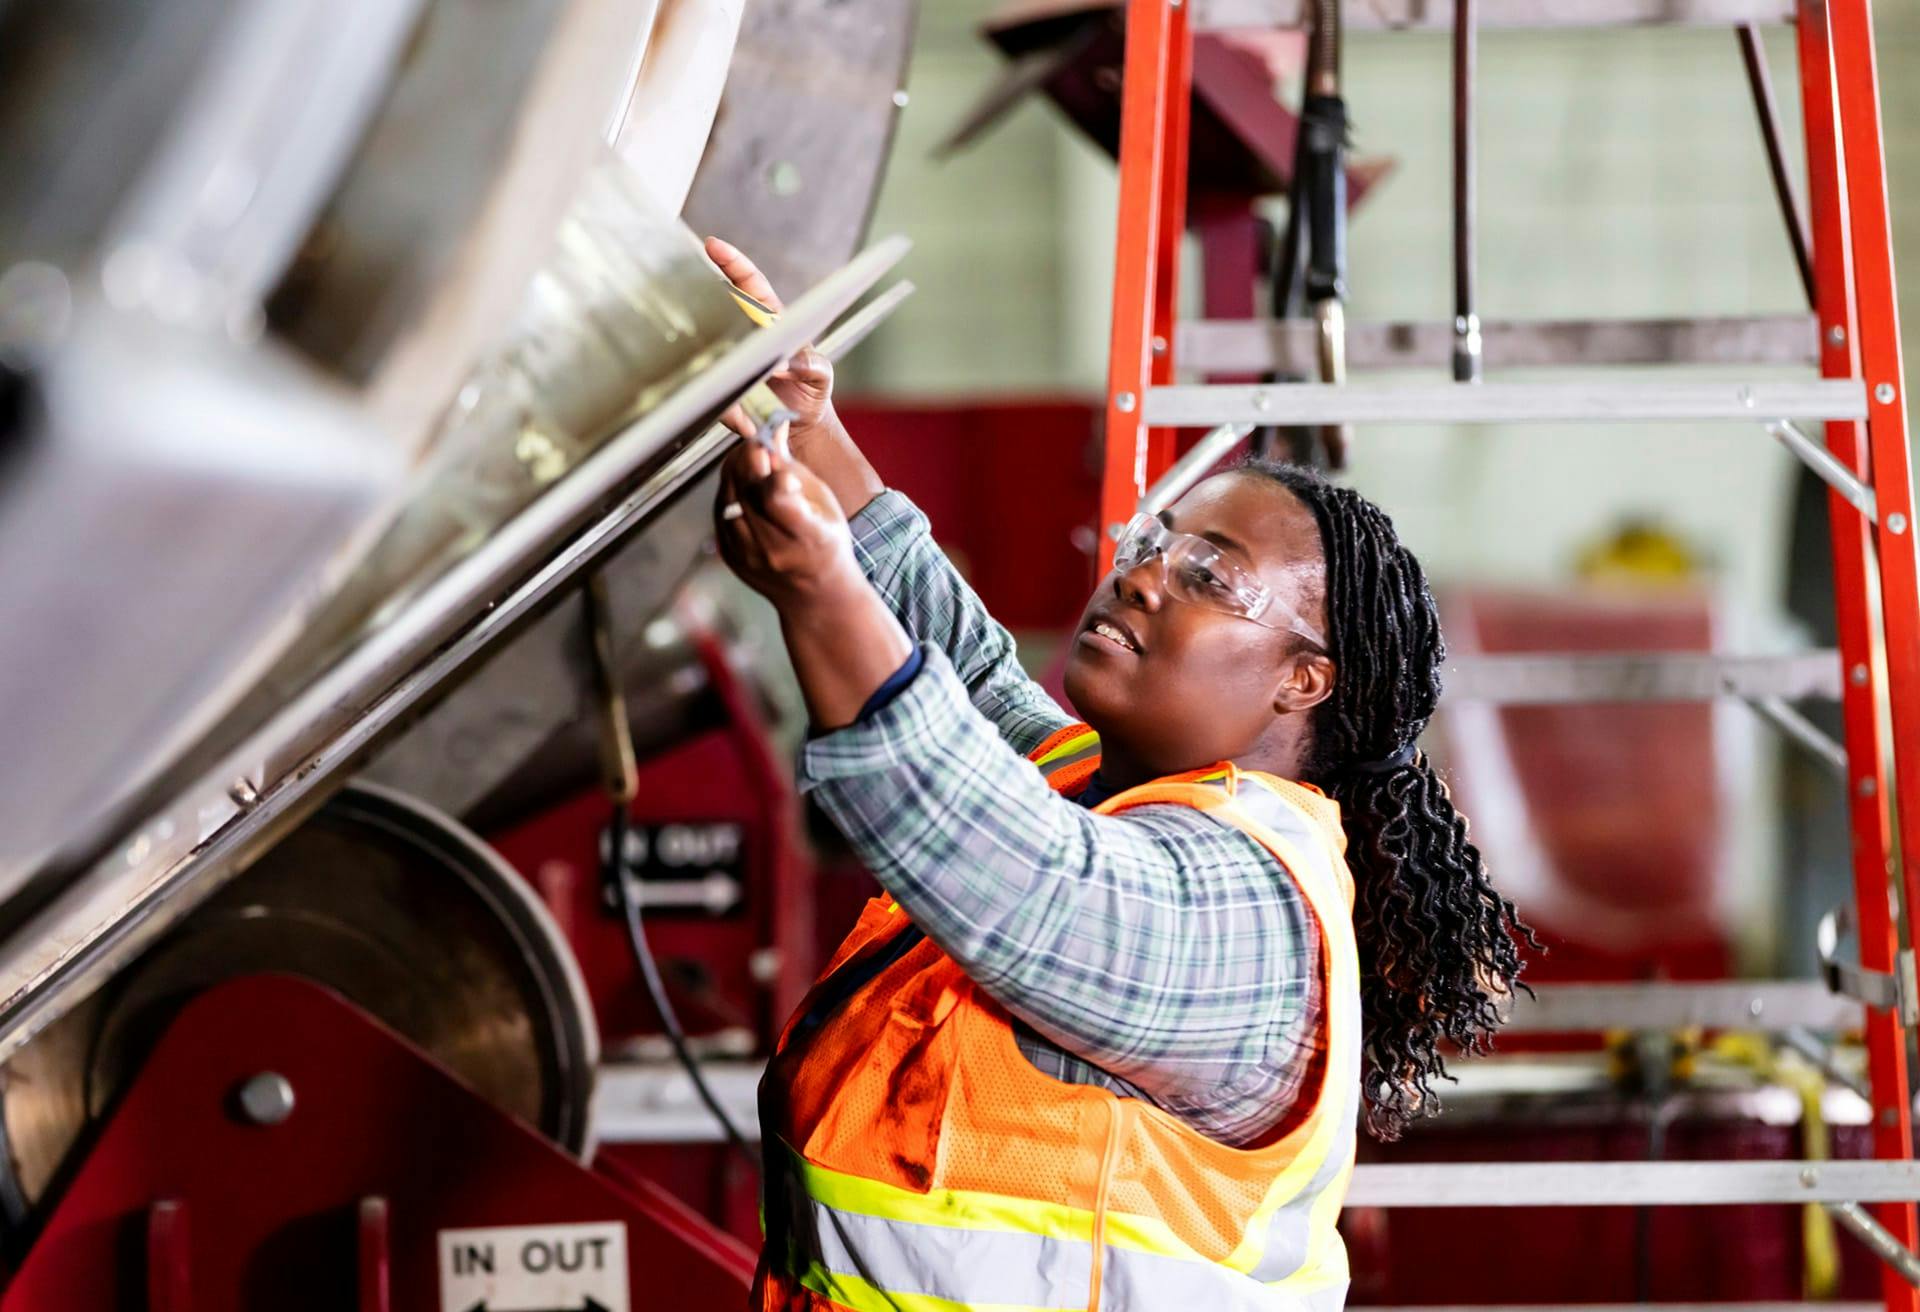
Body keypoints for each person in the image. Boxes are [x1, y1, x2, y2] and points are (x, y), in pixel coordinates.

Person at [705, 237, 1532, 1312]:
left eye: (1209, 576)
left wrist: (820, 597)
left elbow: (1028, 884)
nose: (1144, 578)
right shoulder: (1092, 781)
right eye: (1156, 543)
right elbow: (953, 656)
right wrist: (802, 421)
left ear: (1303, 682)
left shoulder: (1251, 918)